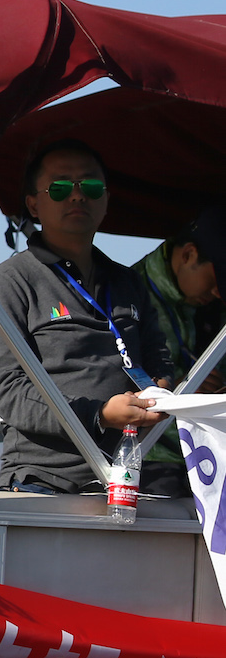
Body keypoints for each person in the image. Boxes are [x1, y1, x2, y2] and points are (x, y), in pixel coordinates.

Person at [0, 139, 172, 495]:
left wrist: (163, 390)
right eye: (61, 187)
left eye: (91, 186)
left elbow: (158, 357)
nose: (78, 196)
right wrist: (100, 414)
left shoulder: (129, 282)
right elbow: (10, 394)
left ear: (106, 200)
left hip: (126, 472)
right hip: (44, 479)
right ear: (33, 205)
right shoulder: (6, 283)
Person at [131, 204, 226, 494]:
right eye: (215, 283)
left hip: (210, 453)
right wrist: (179, 394)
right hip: (150, 457)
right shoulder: (127, 294)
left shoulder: (213, 306)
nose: (218, 295)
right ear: (188, 255)